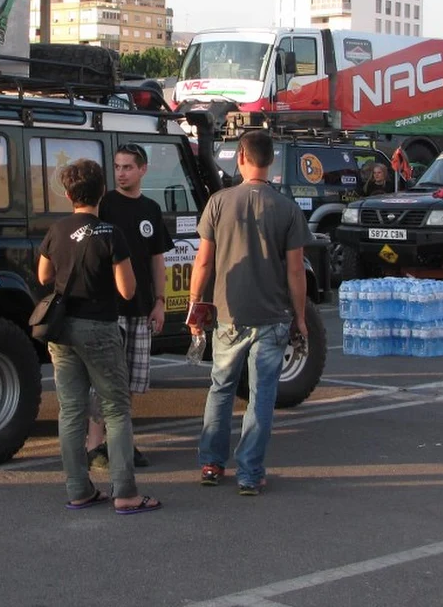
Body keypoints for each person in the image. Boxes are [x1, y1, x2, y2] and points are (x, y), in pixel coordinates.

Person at [189, 129, 311, 495]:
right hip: (273, 318)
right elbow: (296, 271)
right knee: (261, 395)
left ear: (241, 157)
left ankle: (212, 464)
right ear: (270, 160)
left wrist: (195, 304)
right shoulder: (287, 208)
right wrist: (300, 317)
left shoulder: (218, 202)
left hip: (228, 315)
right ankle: (250, 473)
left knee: (221, 388)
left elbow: (203, 262)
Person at [37, 158, 161, 514]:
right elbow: (127, 289)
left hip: (63, 329)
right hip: (100, 327)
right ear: (102, 191)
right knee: (116, 408)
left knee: (71, 410)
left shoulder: (57, 230)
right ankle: (125, 492)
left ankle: (79, 489)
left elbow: (44, 275)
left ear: (67, 194)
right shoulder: (111, 233)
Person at [86, 143, 175, 469]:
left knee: (129, 383)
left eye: (127, 167)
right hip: (108, 310)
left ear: (142, 170)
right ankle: (94, 445)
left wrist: (160, 302)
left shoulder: (151, 209)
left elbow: (157, 260)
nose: (121, 173)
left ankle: (121, 441)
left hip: (141, 308)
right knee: (104, 380)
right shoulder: (105, 205)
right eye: (117, 167)